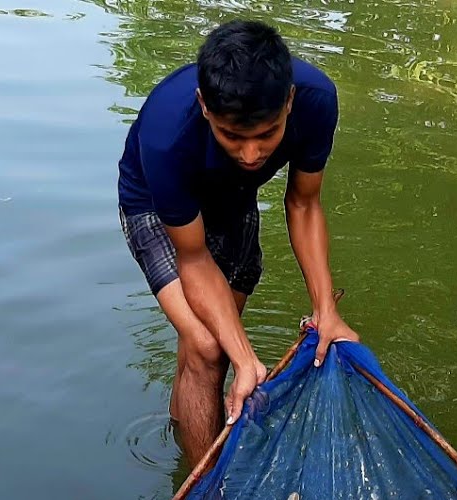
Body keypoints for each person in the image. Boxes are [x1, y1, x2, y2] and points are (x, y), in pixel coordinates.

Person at [118, 19, 358, 463]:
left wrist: (326, 309)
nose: (252, 154)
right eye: (233, 136)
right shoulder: (166, 133)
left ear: (289, 102)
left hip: (233, 198)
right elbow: (193, 258)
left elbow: (304, 204)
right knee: (210, 348)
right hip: (155, 206)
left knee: (210, 352)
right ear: (204, 106)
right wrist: (248, 358)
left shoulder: (317, 101)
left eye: (267, 134)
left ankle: (189, 421)